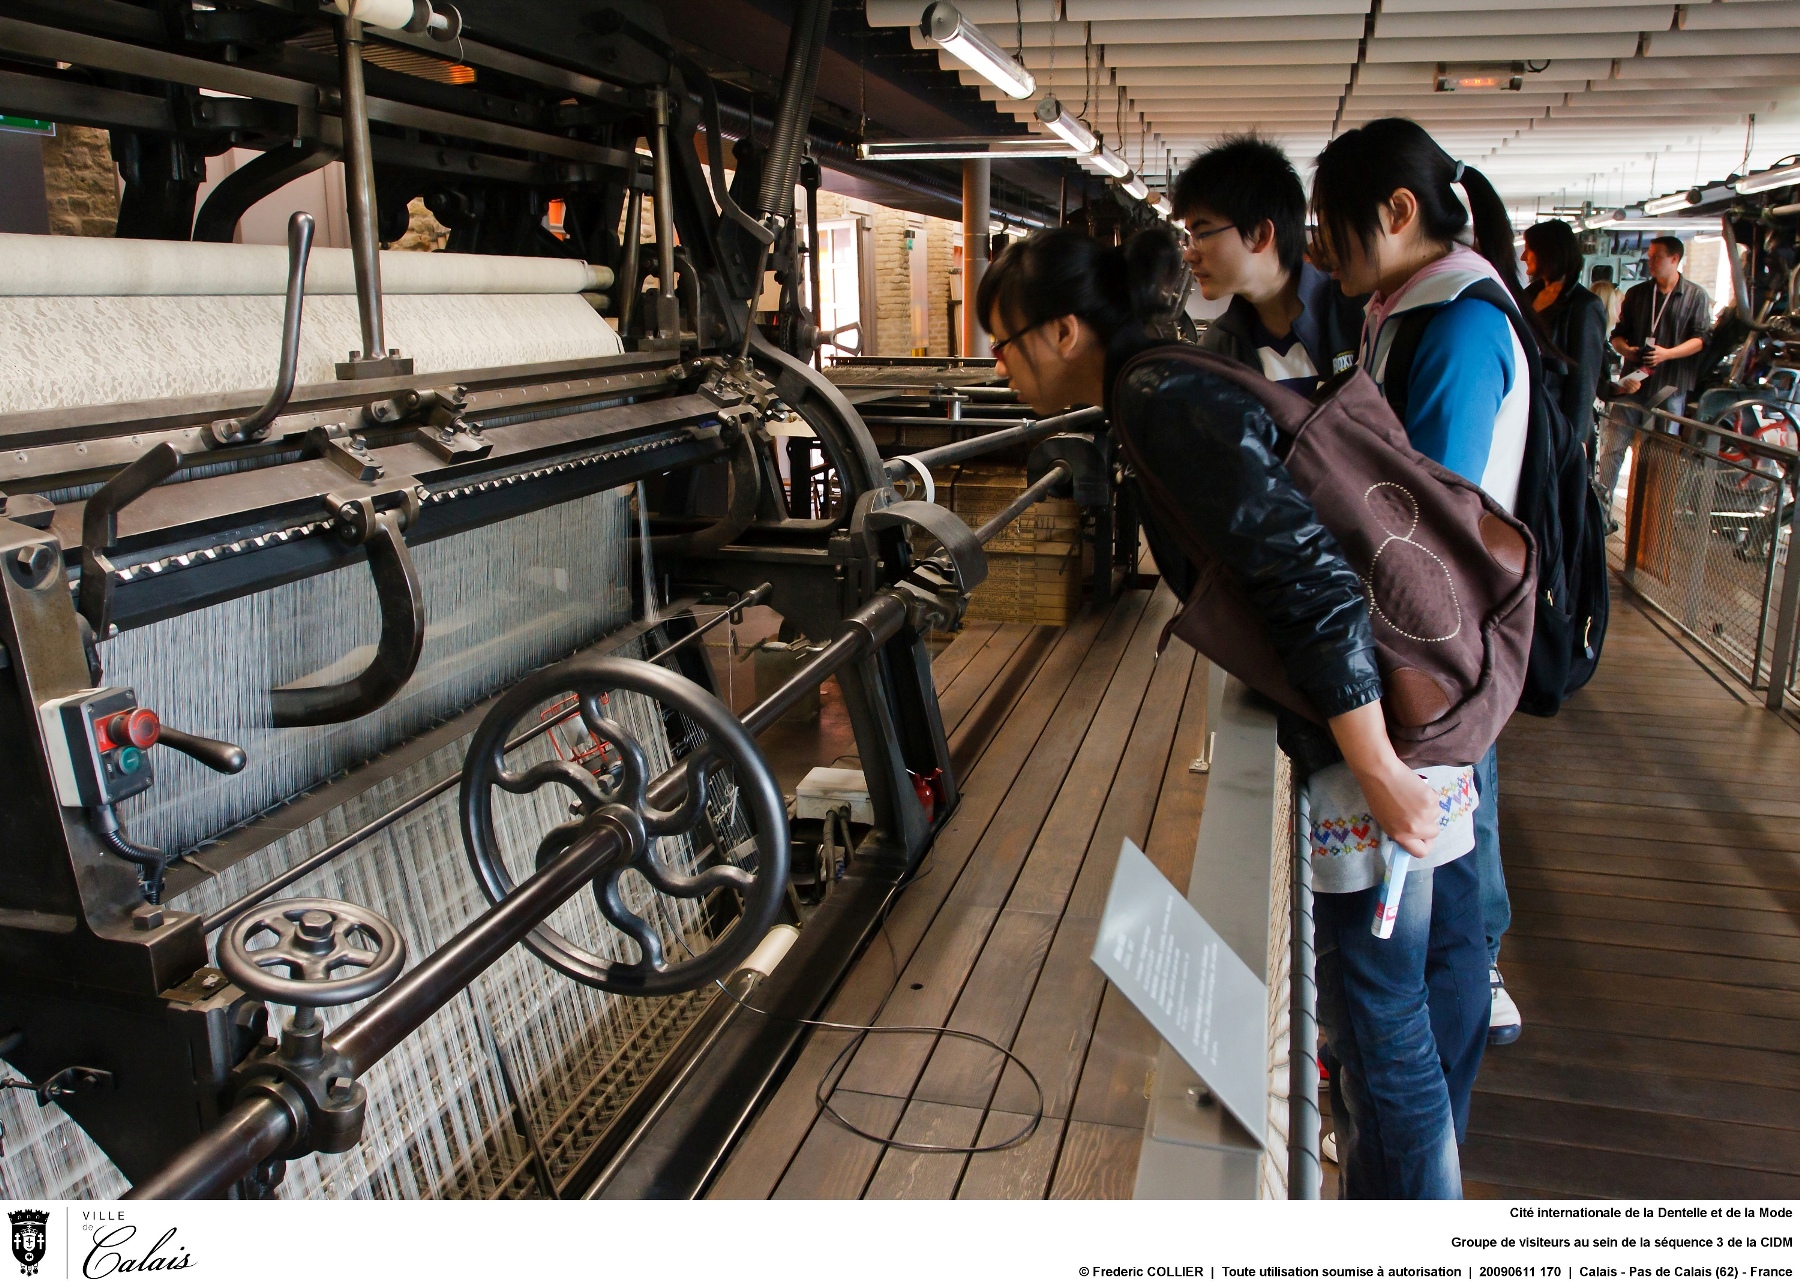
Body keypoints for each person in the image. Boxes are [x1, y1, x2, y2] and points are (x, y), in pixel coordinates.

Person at [977, 225, 1469, 1198]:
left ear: (1066, 330)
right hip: (1375, 712)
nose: (999, 367)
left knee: (1381, 1024)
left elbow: (1310, 580)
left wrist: (1374, 768)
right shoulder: (1159, 379)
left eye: (1003, 342)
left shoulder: (1160, 398)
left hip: (1373, 732)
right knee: (1373, 1019)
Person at [1308, 114, 1544, 1193]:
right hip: (1445, 674)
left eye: (1332, 223)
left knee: (1417, 951)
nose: (1323, 244)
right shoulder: (1419, 307)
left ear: (1397, 212)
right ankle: (1427, 1141)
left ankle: (1419, 1160)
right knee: (1450, 913)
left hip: (1431, 682)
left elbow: (1422, 532)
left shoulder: (1450, 325)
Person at [1170, 134, 1364, 395]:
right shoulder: (1219, 350)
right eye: (1189, 239)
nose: (1189, 255)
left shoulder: (1358, 317)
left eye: (1202, 234)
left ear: (1261, 235)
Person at [1593, 236, 1714, 507]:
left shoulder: (1695, 296)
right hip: (1633, 383)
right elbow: (1617, 336)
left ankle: (1650, 514)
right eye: (1649, 256)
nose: (1650, 262)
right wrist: (1628, 352)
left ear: (1674, 259)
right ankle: (1601, 509)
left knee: (1660, 453)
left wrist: (1667, 354)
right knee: (1613, 446)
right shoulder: (1638, 294)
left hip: (1670, 386)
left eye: (1656, 257)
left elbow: (1702, 339)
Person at [1523, 220, 1609, 457]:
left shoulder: (1584, 306)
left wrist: (1577, 438)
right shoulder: (1527, 296)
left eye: (1529, 249)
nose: (1523, 256)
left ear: (1547, 252)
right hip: (1527, 410)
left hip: (1556, 417)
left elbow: (1584, 376)